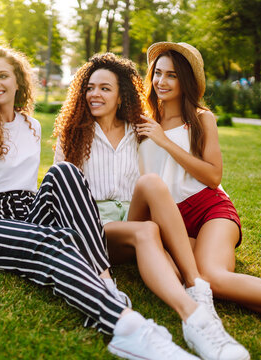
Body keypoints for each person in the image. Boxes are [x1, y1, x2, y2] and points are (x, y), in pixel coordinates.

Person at [0, 44, 199, 360]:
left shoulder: (31, 125)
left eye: (3, 75)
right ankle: (127, 328)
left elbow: (39, 184)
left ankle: (105, 282)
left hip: (29, 208)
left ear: (18, 82)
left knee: (66, 172)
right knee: (54, 241)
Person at [54, 52, 250, 360]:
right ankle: (194, 316)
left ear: (121, 96)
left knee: (154, 198)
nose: (95, 94)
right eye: (90, 88)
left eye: (105, 88)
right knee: (147, 232)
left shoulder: (140, 132)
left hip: (136, 217)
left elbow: (182, 167)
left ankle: (202, 285)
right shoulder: (73, 136)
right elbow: (63, 195)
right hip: (97, 228)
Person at [137, 41, 261, 327]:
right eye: (158, 73)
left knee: (213, 277)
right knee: (207, 285)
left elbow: (213, 176)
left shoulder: (202, 119)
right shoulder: (143, 120)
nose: (162, 81)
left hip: (209, 209)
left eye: (173, 75)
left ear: (187, 80)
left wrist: (165, 141)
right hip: (170, 218)